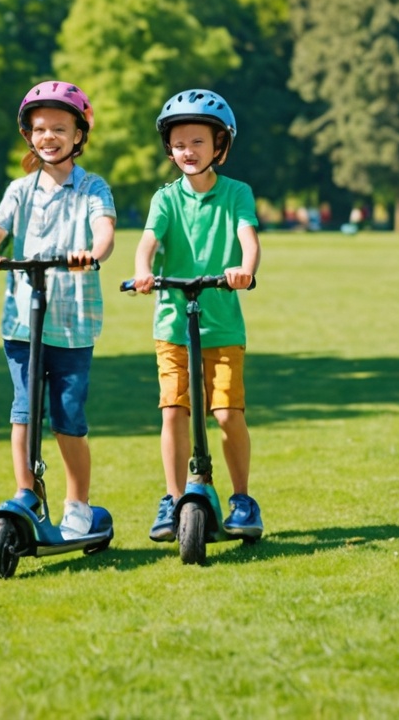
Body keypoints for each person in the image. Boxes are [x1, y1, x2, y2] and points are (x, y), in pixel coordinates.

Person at [0, 82, 115, 538]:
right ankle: (27, 492)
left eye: (59, 128)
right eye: (39, 129)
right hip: (22, 321)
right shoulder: (20, 190)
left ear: (78, 135)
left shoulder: (93, 186)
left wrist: (93, 252)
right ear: (28, 136)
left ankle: (77, 504)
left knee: (68, 415)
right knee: (24, 411)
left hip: (71, 323)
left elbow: (104, 231)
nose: (48, 136)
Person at [131, 88, 262, 544]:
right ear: (170, 148)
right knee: (173, 412)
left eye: (198, 142)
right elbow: (148, 241)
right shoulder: (165, 199)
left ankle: (242, 498)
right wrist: (143, 271)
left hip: (222, 324)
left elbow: (248, 236)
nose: (187, 151)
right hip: (172, 325)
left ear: (220, 146)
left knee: (226, 414)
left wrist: (245, 269)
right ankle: (172, 497)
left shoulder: (237, 193)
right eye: (179, 142)